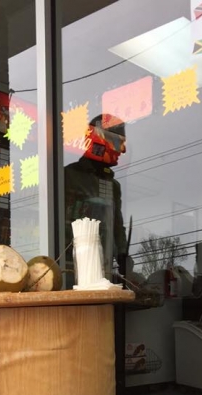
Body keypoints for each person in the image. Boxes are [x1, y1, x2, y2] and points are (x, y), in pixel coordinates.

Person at [64, 114, 128, 286]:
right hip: (69, 263)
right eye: (118, 142)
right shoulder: (67, 177)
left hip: (103, 264)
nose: (122, 150)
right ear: (99, 140)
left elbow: (116, 224)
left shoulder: (113, 186)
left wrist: (122, 253)